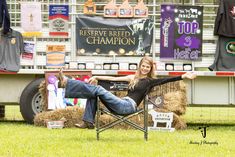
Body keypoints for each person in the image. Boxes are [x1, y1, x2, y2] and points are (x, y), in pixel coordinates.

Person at [58, 56, 197, 129]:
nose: (144, 68)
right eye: (143, 66)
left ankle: (66, 82)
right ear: (140, 66)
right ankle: (88, 122)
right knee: (94, 92)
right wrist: (96, 76)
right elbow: (113, 79)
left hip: (128, 107)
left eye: (147, 67)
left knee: (98, 90)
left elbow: (167, 80)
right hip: (121, 103)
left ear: (150, 69)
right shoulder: (132, 77)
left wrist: (183, 76)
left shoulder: (149, 81)